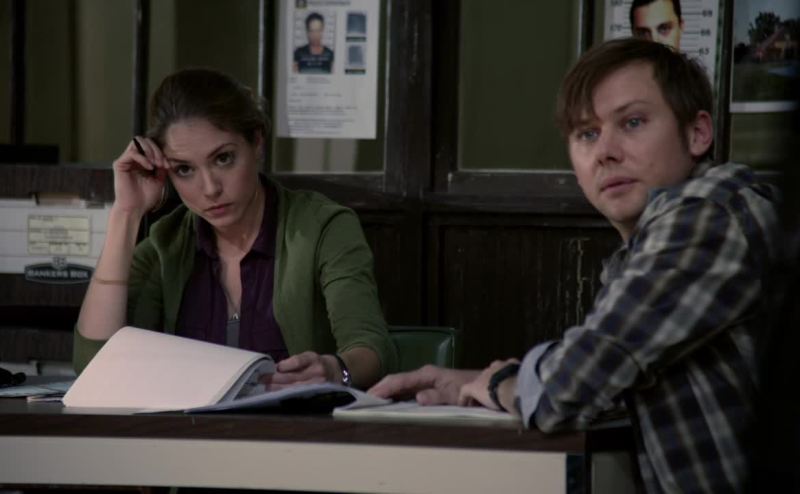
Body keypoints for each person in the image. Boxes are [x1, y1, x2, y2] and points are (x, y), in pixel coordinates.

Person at [370, 38, 781, 492]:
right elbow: (609, 386)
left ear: (697, 133)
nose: (605, 151)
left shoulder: (711, 213)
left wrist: (504, 382)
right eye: (587, 133)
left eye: (633, 122)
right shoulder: (642, 250)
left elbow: (571, 387)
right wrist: (474, 384)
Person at [74, 68, 396, 390]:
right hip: (191, 423)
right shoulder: (166, 244)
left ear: (256, 142)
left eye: (224, 158)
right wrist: (126, 213)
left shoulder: (322, 228)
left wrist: (335, 370)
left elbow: (372, 349)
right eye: (184, 169)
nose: (210, 188)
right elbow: (93, 367)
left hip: (297, 421)